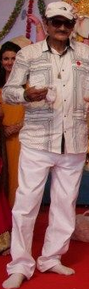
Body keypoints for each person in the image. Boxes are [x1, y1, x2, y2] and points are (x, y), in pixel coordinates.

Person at [1, 1, 89, 289]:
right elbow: (9, 91)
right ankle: (20, 265)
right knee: (26, 204)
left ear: (73, 24)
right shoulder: (28, 55)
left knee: (65, 204)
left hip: (74, 140)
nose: (62, 28)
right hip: (38, 140)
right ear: (48, 23)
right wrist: (27, 95)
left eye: (67, 23)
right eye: (56, 22)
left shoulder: (86, 53)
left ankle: (51, 257)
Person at [0, 42, 25, 208]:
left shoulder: (27, 86)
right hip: (2, 140)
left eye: (14, 58)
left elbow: (37, 112)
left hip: (22, 139)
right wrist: (3, 130)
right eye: (5, 58)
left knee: (19, 179)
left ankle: (18, 219)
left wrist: (17, 126)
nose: (9, 62)